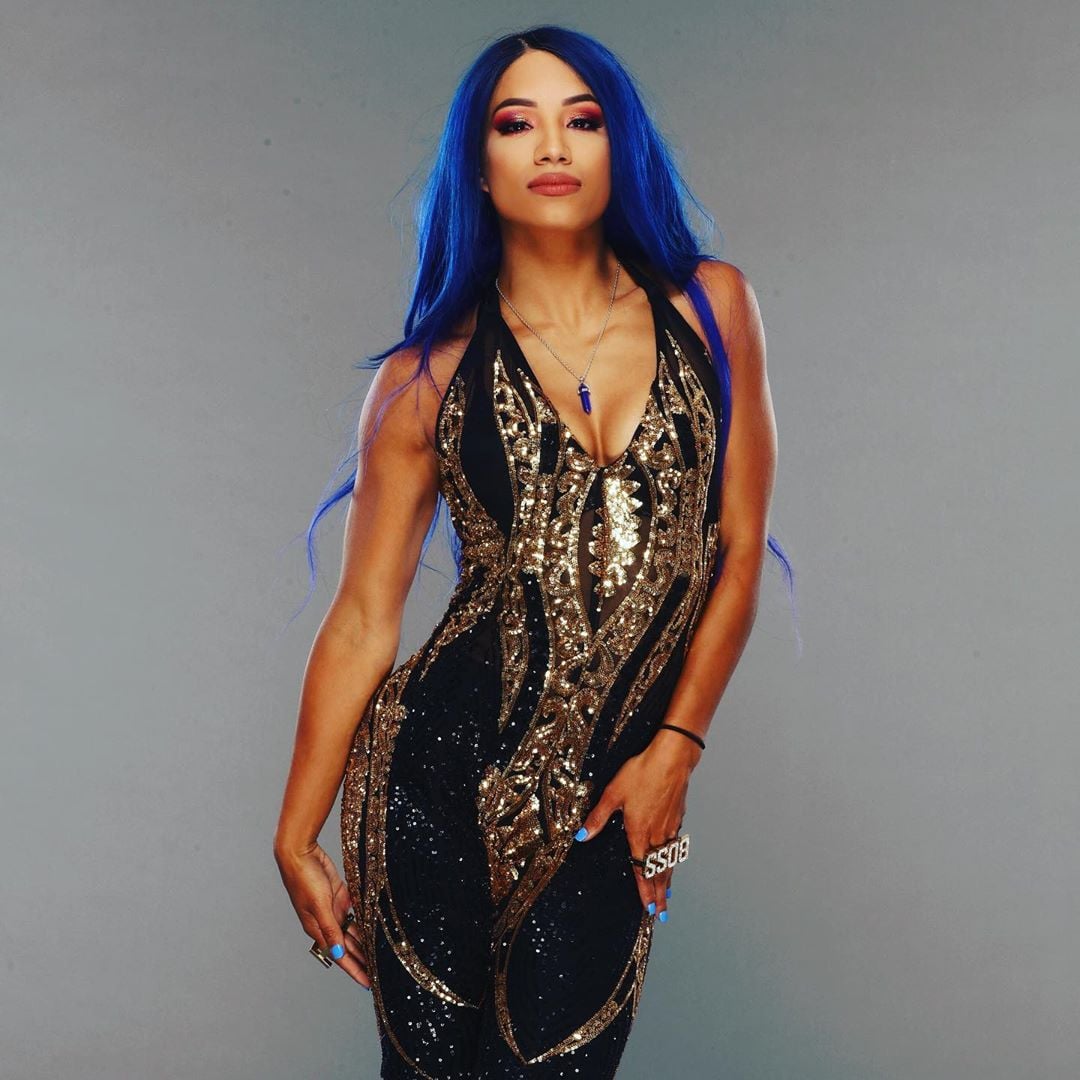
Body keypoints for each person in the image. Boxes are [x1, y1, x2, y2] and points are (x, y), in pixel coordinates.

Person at [275, 25, 791, 1080]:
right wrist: (296, 831)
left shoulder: (712, 307)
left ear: (617, 145)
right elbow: (365, 619)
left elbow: (738, 550)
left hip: (609, 799)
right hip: (430, 785)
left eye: (581, 120)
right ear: (480, 164)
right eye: (518, 124)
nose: (553, 146)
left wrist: (676, 749)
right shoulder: (426, 378)